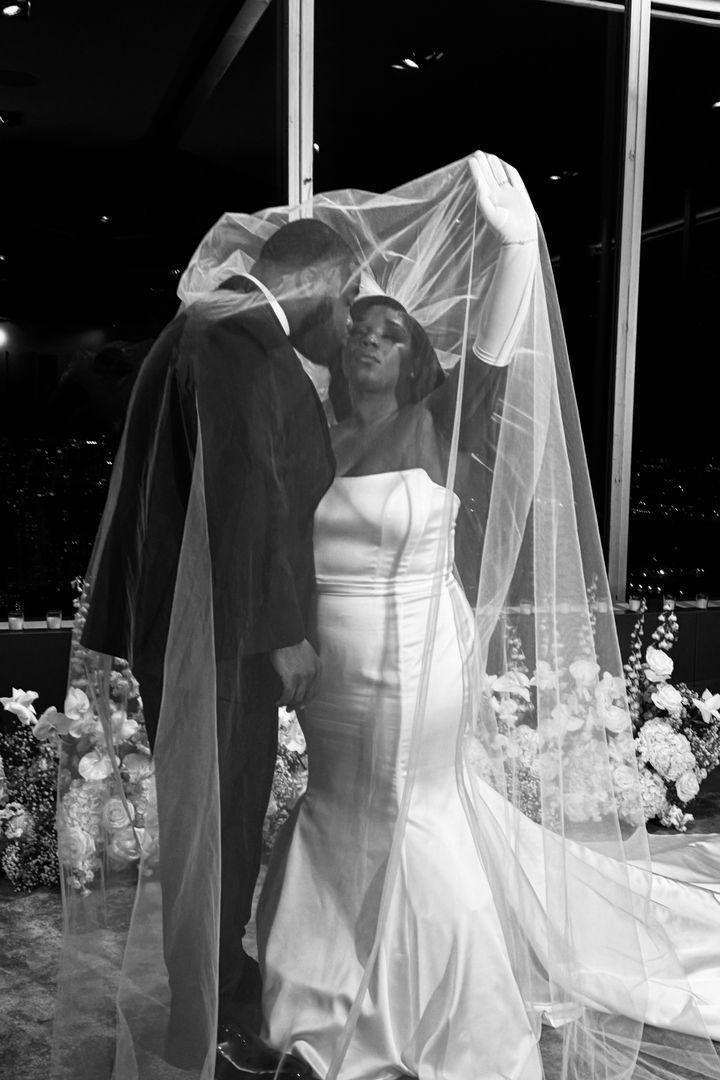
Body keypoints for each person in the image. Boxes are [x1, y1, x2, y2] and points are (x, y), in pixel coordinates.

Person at [254, 154, 720, 1080]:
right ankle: (323, 985)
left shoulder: (440, 421)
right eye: (361, 327)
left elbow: (502, 342)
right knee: (340, 805)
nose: (371, 340)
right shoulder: (312, 430)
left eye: (392, 333)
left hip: (413, 660)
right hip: (331, 672)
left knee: (406, 809)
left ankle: (423, 1010)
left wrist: (512, 234)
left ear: (415, 356)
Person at [77, 218, 359, 1080]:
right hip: (223, 640)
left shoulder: (199, 323)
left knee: (213, 819)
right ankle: (217, 1014)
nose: (345, 322)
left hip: (186, 629)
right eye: (345, 300)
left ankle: (216, 990)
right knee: (222, 825)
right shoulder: (239, 339)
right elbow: (240, 499)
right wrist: (283, 635)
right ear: (316, 283)